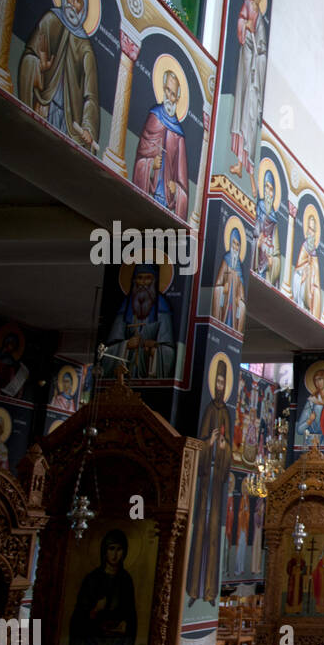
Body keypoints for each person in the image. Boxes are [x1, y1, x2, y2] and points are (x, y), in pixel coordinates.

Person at [17, 0, 99, 153]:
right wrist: (39, 69)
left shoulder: (86, 48)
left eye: (77, 0)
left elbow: (91, 96)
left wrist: (88, 127)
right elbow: (28, 59)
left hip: (70, 122)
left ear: (83, 8)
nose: (70, 2)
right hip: (43, 105)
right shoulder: (49, 21)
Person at [186, 361, 233, 606]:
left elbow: (231, 453)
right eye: (217, 381)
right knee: (197, 530)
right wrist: (210, 443)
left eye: (223, 382)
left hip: (217, 487)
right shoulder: (207, 411)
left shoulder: (227, 413)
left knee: (215, 534)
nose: (220, 386)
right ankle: (193, 589)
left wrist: (224, 448)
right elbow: (197, 446)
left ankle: (210, 592)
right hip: (204, 482)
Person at [68, 529, 138, 645]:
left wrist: (126, 625)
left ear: (124, 552)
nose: (115, 554)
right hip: (92, 640)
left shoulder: (125, 579)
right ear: (104, 551)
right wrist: (95, 610)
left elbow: (131, 615)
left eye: (119, 549)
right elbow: (78, 619)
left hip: (117, 642)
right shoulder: (92, 579)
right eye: (111, 549)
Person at [133, 68, 190, 218]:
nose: (169, 97)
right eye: (167, 91)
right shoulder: (154, 117)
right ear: (163, 89)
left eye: (173, 94)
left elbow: (182, 179)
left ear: (177, 99)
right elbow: (141, 154)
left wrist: (176, 189)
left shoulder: (179, 135)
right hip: (149, 187)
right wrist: (151, 165)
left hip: (165, 199)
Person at [104, 263, 176, 378]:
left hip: (147, 372)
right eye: (139, 278)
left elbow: (169, 351)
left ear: (154, 281)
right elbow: (106, 350)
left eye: (148, 278)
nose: (143, 283)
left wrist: (155, 348)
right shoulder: (126, 307)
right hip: (123, 377)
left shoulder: (162, 308)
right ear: (134, 281)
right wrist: (126, 345)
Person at [228, 0, 267, 178]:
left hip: (255, 73)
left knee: (250, 116)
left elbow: (263, 49)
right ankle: (238, 163)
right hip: (245, 63)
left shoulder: (261, 19)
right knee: (241, 108)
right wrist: (246, 27)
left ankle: (247, 167)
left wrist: (257, 45)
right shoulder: (246, 5)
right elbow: (241, 24)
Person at [213, 227, 247, 331]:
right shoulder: (226, 260)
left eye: (238, 244)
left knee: (242, 308)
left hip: (233, 306)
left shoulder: (239, 266)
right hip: (224, 302)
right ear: (230, 243)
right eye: (234, 243)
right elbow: (218, 283)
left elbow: (241, 292)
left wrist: (239, 299)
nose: (236, 247)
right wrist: (223, 289)